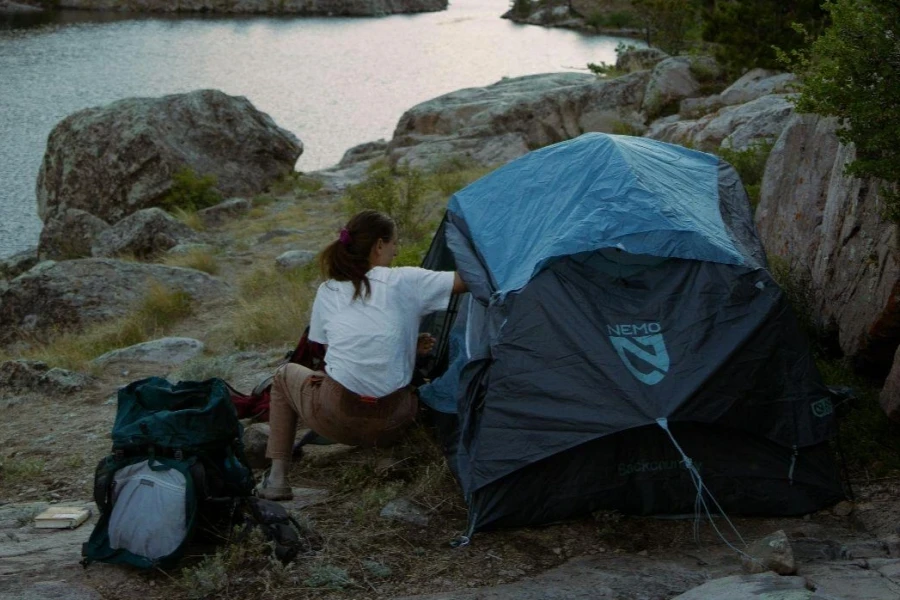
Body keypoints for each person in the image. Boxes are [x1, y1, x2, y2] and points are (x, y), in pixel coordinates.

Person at [258, 210, 467, 500]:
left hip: (337, 418)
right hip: (394, 421)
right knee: (407, 392)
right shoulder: (405, 280)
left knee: (283, 376)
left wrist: (406, 343)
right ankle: (384, 455)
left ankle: (278, 479)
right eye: (394, 243)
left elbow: (340, 351)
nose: (396, 251)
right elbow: (465, 280)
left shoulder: (329, 289)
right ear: (379, 245)